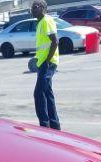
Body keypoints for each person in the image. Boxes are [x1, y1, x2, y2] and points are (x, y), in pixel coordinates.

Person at [31, 0, 61, 130]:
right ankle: (55, 126)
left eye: (35, 7)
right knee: (47, 94)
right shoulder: (40, 23)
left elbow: (55, 42)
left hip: (47, 63)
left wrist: (47, 61)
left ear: (43, 8)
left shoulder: (46, 21)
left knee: (38, 93)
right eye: (32, 7)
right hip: (42, 62)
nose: (32, 10)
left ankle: (44, 126)